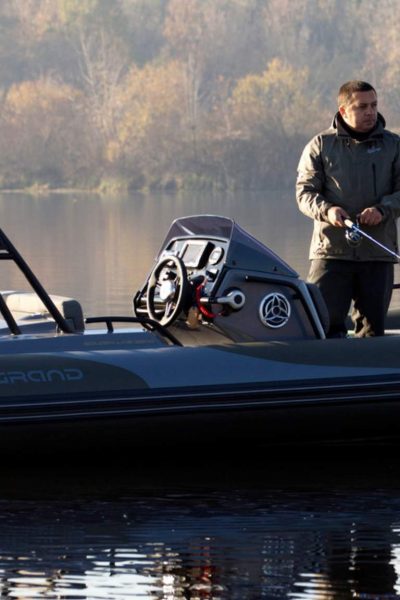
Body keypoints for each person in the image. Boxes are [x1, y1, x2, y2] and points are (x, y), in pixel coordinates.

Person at [296, 80, 400, 337]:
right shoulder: (320, 145)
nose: (370, 112)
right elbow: (304, 193)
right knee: (322, 327)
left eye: (374, 105)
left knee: (373, 331)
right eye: (362, 106)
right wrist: (327, 210)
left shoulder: (394, 145)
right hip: (330, 253)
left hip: (377, 254)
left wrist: (383, 210)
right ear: (343, 110)